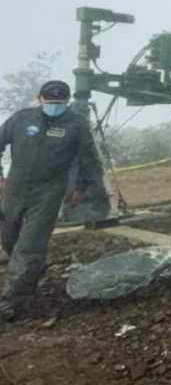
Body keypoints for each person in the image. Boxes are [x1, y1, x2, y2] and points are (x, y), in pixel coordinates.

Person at [0, 81, 103, 321]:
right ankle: (30, 274)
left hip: (48, 192)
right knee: (9, 239)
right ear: (39, 100)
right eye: (50, 102)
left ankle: (12, 302)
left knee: (29, 246)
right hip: (14, 190)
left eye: (59, 103)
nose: (54, 107)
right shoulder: (20, 120)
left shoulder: (76, 126)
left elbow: (90, 160)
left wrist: (81, 188)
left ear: (67, 102)